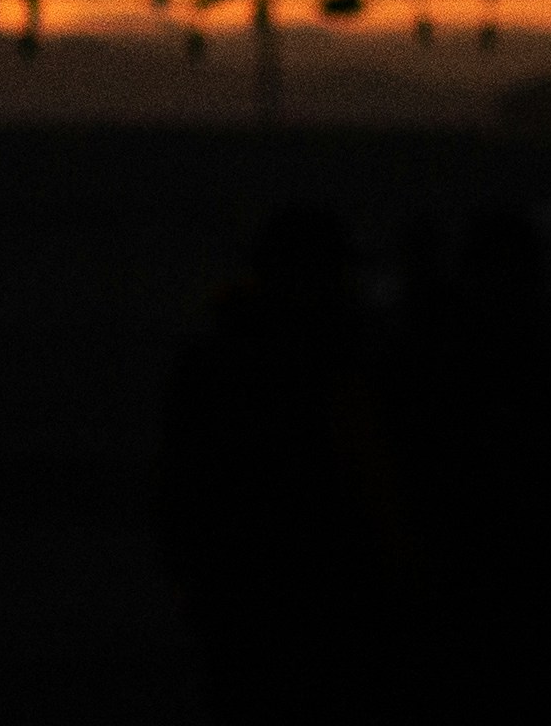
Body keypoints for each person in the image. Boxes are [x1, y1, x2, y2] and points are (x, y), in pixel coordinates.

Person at [156, 205, 382, 723]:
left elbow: (178, 488)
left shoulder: (214, 363)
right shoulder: (351, 361)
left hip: (244, 603)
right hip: (323, 605)